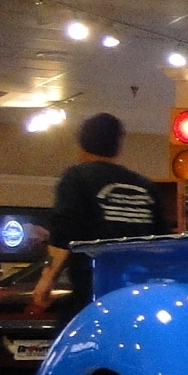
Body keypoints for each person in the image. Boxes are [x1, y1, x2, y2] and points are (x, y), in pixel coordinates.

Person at [30, 113, 160, 311]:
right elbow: (160, 240)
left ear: (81, 144)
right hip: (141, 291)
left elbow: (65, 233)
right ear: (118, 146)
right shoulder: (145, 186)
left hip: (96, 289)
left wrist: (48, 278)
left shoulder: (77, 178)